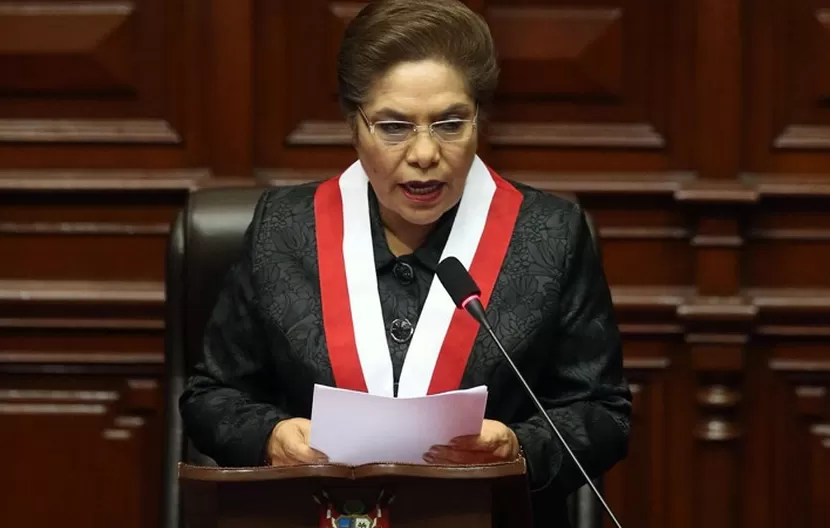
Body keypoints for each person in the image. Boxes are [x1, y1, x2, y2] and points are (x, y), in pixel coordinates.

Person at [179, 0, 631, 524]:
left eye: (449, 124)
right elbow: (212, 394)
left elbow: (603, 412)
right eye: (394, 127)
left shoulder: (550, 235)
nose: (424, 153)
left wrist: (519, 447)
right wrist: (269, 436)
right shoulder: (284, 228)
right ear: (354, 125)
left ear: (479, 118)